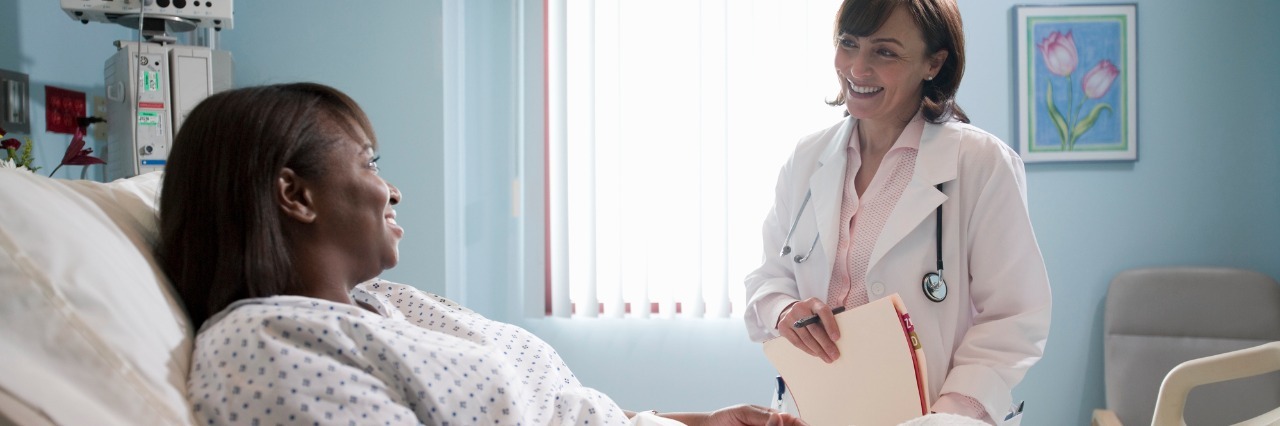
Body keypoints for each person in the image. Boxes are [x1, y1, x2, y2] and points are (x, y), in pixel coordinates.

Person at [158, 82, 804, 426]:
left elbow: (551, 412)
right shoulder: (266, 345)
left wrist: (696, 424)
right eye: (370, 163)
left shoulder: (388, 306)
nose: (393, 189)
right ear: (295, 195)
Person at [743, 0, 1051, 424]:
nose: (857, 68)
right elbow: (768, 278)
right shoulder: (808, 157)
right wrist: (781, 310)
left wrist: (951, 414)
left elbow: (1015, 317)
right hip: (815, 411)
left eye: (885, 51)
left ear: (934, 63)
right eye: (848, 43)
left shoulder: (980, 163)